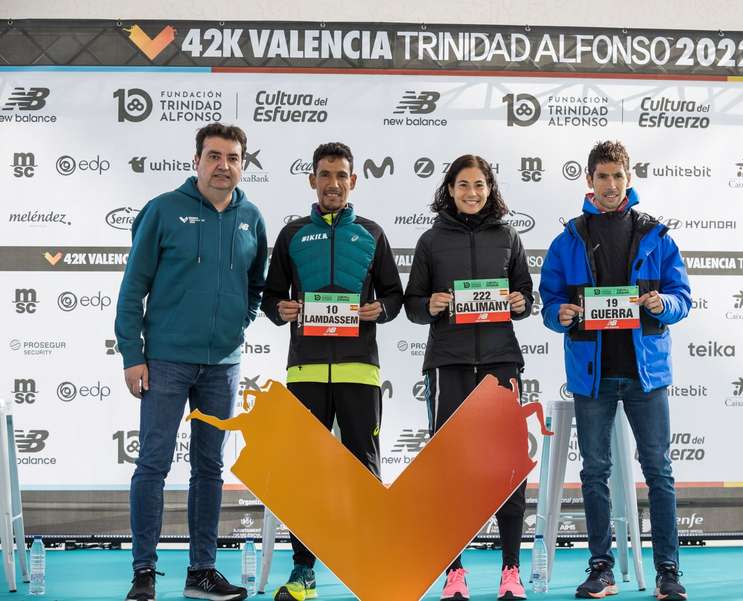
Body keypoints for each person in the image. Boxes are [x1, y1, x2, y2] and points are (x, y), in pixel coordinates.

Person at [115, 123, 267, 601]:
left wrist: (237, 327)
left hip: (223, 365)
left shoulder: (252, 217)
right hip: (165, 361)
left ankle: (202, 571)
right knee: (153, 464)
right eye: (215, 156)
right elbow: (132, 288)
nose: (224, 166)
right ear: (197, 161)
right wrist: (132, 354)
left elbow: (255, 287)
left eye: (234, 158)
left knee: (209, 469)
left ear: (243, 164)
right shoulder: (163, 210)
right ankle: (144, 572)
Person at [539, 140, 690, 601]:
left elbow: (682, 298)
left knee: (659, 471)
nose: (610, 185)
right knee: (594, 473)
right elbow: (549, 301)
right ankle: (600, 568)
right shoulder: (568, 239)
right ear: (589, 180)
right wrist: (559, 314)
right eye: (601, 176)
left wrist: (662, 303)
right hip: (593, 376)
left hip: (647, 376)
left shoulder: (657, 235)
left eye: (617, 176)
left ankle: (668, 572)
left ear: (629, 178)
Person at [261, 142, 403, 601]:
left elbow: (395, 298)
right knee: (306, 473)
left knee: (364, 469)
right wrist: (280, 309)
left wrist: (376, 311)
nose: (333, 183)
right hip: (304, 370)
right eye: (325, 174)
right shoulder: (292, 234)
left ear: (354, 181)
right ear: (312, 180)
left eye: (341, 175)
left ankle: (375, 563)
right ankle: (304, 572)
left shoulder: (373, 233)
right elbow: (268, 300)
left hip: (359, 370)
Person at [404, 155, 534, 601]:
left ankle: (511, 570)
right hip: (449, 364)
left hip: (500, 363)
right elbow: (413, 304)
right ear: (450, 189)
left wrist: (519, 302)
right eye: (463, 185)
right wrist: (432, 305)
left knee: (507, 468)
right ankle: (454, 573)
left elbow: (526, 298)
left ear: (490, 188)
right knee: (448, 470)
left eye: (479, 185)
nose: (472, 193)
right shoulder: (430, 239)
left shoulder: (509, 236)